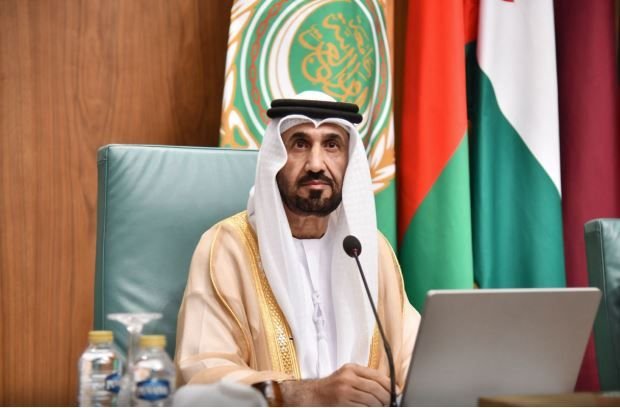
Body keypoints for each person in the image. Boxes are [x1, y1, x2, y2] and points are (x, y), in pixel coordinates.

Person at [175, 91, 420, 406]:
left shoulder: (366, 250)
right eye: (300, 144)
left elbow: (414, 356)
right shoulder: (228, 247)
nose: (316, 164)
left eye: (332, 145)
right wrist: (306, 394)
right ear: (275, 158)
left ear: (349, 160)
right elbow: (201, 372)